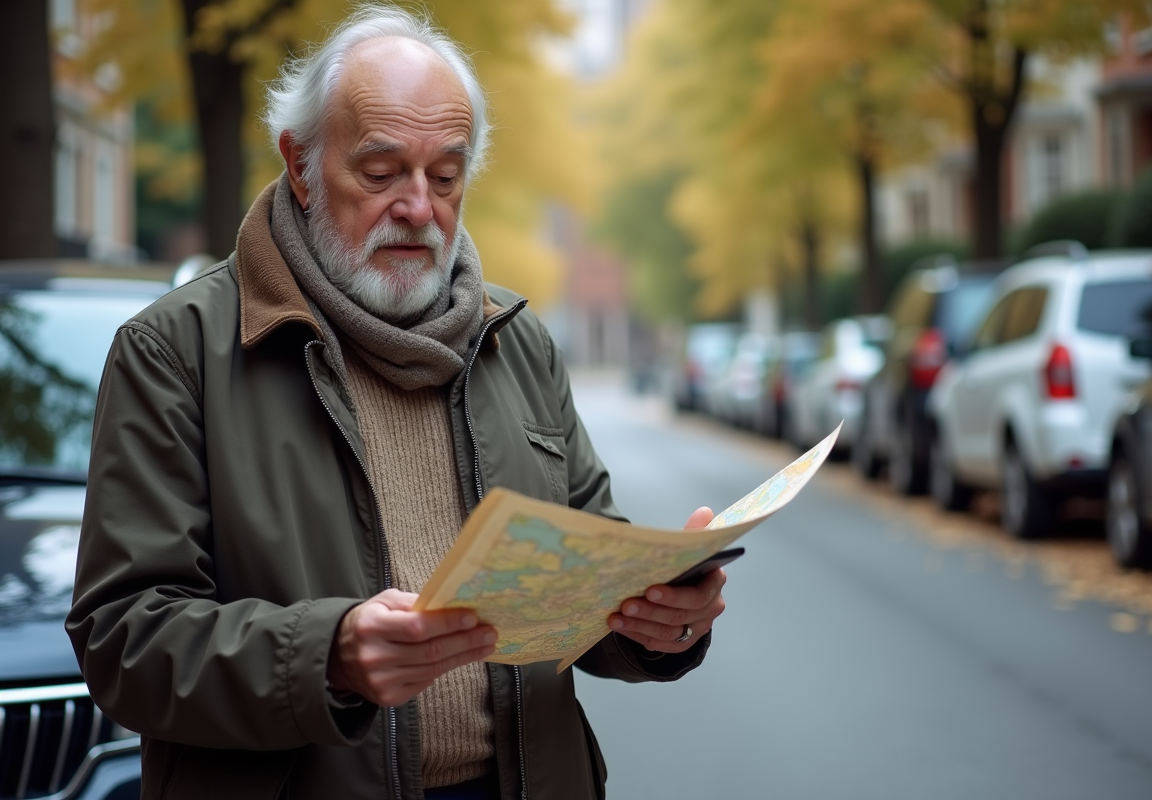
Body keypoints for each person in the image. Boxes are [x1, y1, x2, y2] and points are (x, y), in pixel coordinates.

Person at [66, 6, 727, 800]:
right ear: (301, 164)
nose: (419, 207)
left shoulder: (518, 341)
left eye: (445, 176)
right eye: (381, 174)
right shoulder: (175, 351)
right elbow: (122, 638)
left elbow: (582, 583)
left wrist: (654, 621)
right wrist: (327, 656)